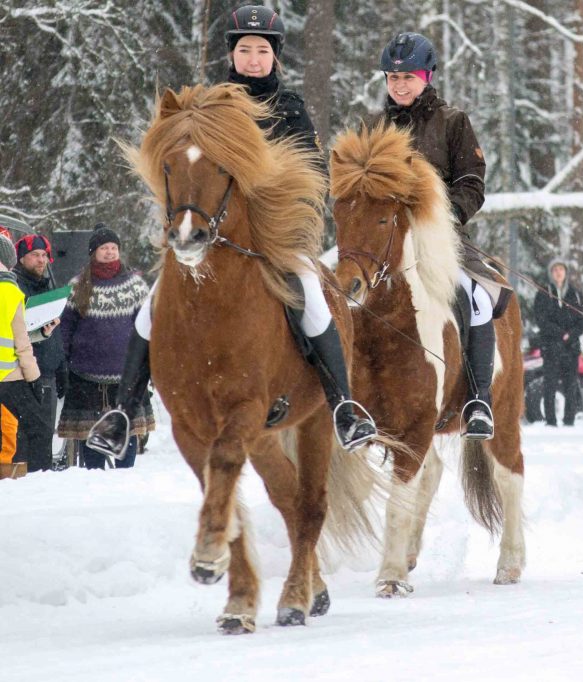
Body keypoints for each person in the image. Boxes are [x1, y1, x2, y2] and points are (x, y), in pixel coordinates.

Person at [87, 5, 375, 458]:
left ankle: (343, 405)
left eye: (262, 51)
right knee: (154, 301)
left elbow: (315, 174)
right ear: (231, 54)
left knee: (310, 293)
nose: (253, 59)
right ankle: (122, 411)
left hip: (273, 238)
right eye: (245, 50)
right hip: (210, 236)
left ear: (275, 56)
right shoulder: (209, 107)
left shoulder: (289, 108)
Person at [366, 32, 494, 439]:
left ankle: (478, 400)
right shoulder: (373, 127)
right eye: (393, 78)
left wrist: (443, 216)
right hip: (382, 241)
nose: (400, 85)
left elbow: (472, 183)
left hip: (440, 239)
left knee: (476, 297)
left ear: (427, 76)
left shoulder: (453, 122)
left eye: (408, 77)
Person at [58, 226, 154, 469]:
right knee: (92, 449)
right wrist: (63, 364)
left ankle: (123, 483)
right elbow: (65, 330)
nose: (110, 252)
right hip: (85, 379)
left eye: (113, 248)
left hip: (127, 378)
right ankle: (95, 483)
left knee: (126, 438)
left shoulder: (135, 286)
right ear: (94, 252)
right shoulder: (78, 285)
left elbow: (147, 328)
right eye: (104, 248)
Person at [12, 234, 68, 469]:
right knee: (24, 443)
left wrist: (61, 368)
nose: (41, 260)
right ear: (21, 258)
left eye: (44, 255)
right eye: (35, 255)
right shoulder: (14, 287)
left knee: (44, 439)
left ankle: (40, 479)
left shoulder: (46, 285)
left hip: (47, 375)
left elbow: (54, 335)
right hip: (23, 377)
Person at [0, 235, 50, 473]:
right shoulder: (11, 292)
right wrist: (34, 378)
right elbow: (22, 344)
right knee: (38, 429)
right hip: (9, 378)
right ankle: (35, 480)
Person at [533, 258, 583, 426]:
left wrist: (571, 334)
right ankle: (551, 421)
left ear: (566, 272)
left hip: (571, 347)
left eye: (561, 269)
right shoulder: (543, 293)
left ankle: (569, 420)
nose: (558, 273)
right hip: (550, 347)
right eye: (555, 270)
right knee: (550, 385)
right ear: (551, 273)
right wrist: (559, 333)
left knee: (571, 385)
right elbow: (540, 319)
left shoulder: (575, 294)